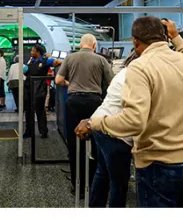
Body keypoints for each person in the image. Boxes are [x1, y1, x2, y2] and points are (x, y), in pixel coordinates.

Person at [77, 18, 183, 208]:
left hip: (158, 161)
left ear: (135, 42)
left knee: (112, 178)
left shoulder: (140, 67)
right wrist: (177, 37)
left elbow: (134, 121)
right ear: (165, 36)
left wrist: (93, 123)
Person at [76, 52, 138, 207]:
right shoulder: (136, 75)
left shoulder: (124, 72)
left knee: (103, 172)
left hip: (100, 123)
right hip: (115, 132)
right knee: (119, 182)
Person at [55, 34, 113, 198]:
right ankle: (93, 185)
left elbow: (59, 80)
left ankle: (77, 186)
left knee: (74, 144)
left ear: (81, 45)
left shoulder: (70, 58)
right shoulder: (101, 60)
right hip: (94, 103)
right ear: (94, 45)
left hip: (73, 102)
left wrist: (71, 84)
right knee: (96, 144)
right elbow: (112, 83)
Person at [24, 44, 62, 139]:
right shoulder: (30, 61)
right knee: (28, 112)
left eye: (33, 51)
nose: (31, 52)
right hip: (29, 88)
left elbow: (58, 62)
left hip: (40, 89)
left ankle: (43, 131)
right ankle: (28, 131)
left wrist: (59, 63)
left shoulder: (46, 61)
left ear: (38, 52)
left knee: (40, 111)